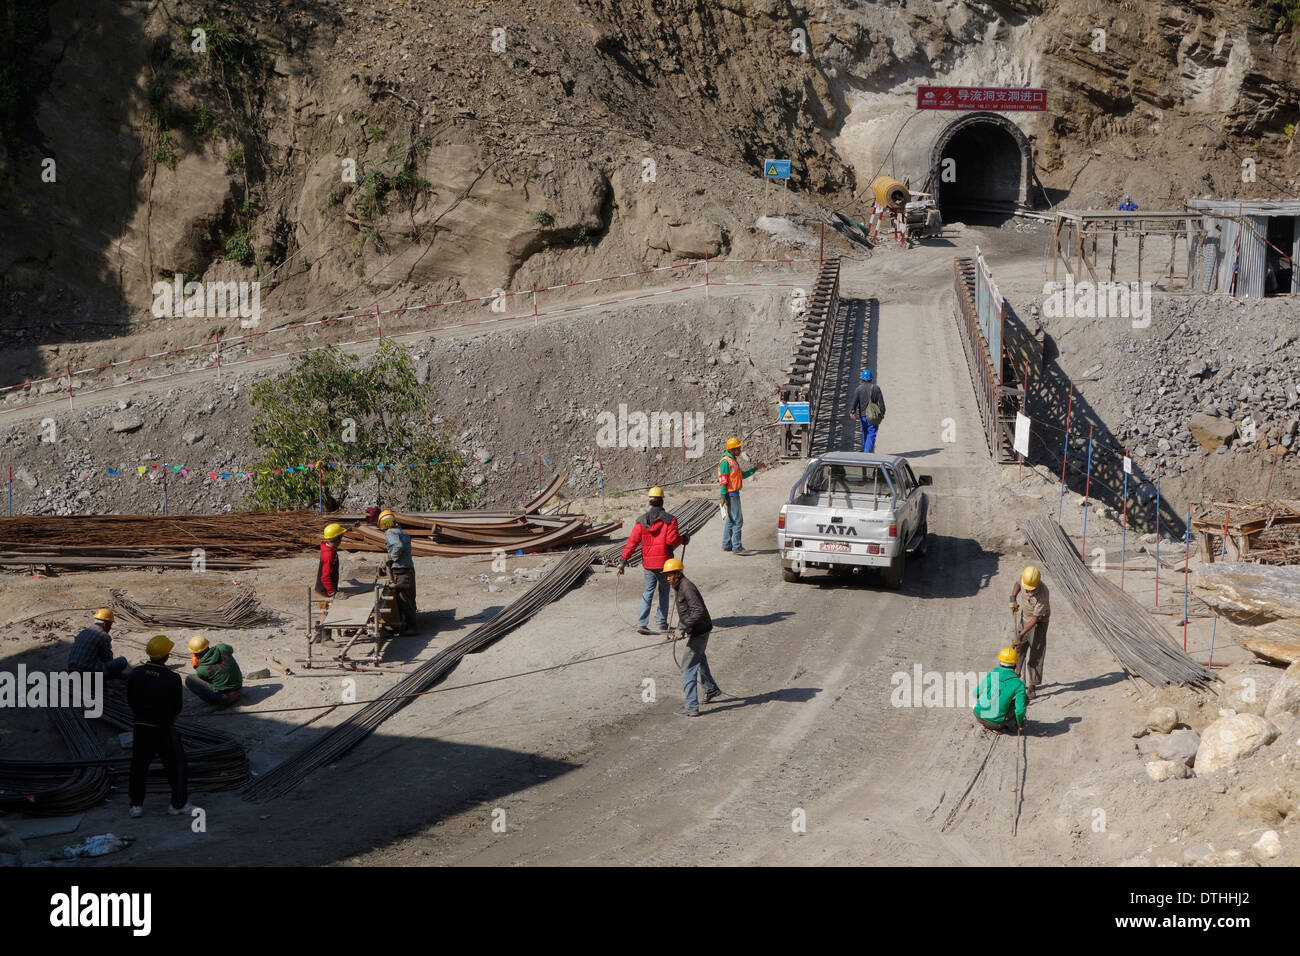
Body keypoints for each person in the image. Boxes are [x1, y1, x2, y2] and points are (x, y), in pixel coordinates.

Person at [127, 635, 193, 818]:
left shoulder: (136, 673)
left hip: (140, 727)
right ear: (166, 656)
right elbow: (177, 707)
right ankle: (177, 804)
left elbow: (130, 700)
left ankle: (136, 805)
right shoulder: (172, 678)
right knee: (177, 765)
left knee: (138, 766)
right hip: (163, 727)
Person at [618, 487, 688, 636]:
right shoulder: (670, 519)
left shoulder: (641, 521)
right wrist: (683, 539)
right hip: (665, 564)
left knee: (648, 591)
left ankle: (642, 623)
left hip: (648, 565)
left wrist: (623, 560)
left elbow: (632, 542)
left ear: (650, 502)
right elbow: (671, 540)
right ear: (662, 501)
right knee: (664, 592)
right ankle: (662, 623)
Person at [663, 558, 721, 716]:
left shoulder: (686, 587)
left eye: (670, 575)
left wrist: (683, 627)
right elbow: (687, 611)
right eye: (666, 575)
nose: (667, 578)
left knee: (688, 667)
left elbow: (698, 611)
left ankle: (691, 706)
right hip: (698, 629)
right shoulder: (678, 585)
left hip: (700, 631)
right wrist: (681, 627)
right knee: (699, 658)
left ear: (678, 573)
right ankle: (711, 689)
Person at [1009, 565, 1051, 697]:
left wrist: (1021, 634)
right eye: (1025, 587)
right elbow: (1017, 583)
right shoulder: (1026, 577)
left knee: (1036, 654)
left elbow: (1035, 619)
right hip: (1024, 619)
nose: (1026, 590)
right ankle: (1015, 679)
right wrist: (1013, 597)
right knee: (1019, 649)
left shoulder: (1043, 594)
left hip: (1038, 624)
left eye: (1029, 589)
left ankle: (1032, 686)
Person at [972, 646, 1028, 734]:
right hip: (994, 724)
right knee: (1025, 700)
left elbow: (976, 693)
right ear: (1015, 665)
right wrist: (1019, 723)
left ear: (1000, 663)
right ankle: (1005, 724)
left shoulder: (991, 675)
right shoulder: (1018, 684)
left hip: (978, 715)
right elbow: (1020, 709)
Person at [379, 510, 417, 633]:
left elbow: (398, 546)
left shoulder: (390, 532)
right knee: (409, 597)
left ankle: (411, 627)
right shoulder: (402, 532)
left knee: (402, 598)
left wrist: (391, 558)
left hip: (400, 570)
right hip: (408, 568)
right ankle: (406, 623)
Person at [718, 437, 757, 555]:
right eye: (738, 448)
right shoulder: (726, 461)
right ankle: (737, 547)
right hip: (731, 494)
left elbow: (741, 475)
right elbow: (723, 479)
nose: (740, 450)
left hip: (732, 493)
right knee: (738, 521)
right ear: (733, 450)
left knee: (731, 519)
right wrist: (722, 496)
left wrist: (755, 469)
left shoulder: (732, 460)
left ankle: (726, 544)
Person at [68, 608, 129, 680]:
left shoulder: (83, 632)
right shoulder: (103, 635)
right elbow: (107, 659)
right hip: (88, 675)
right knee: (122, 661)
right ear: (105, 624)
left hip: (71, 671)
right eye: (110, 625)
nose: (110, 628)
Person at [185, 635, 242, 706]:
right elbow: (231, 650)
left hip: (225, 698)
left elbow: (205, 679)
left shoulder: (202, 670)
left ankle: (217, 703)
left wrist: (197, 667)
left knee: (190, 679)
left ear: (196, 654)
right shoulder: (222, 647)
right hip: (239, 690)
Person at [849, 368, 886, 453]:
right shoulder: (876, 388)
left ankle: (866, 450)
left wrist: (852, 412)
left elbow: (854, 402)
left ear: (862, 379)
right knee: (871, 434)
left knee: (865, 433)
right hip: (872, 416)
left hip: (863, 416)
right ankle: (867, 453)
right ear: (871, 379)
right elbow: (882, 404)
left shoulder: (858, 389)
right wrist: (882, 414)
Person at [315, 523, 345, 597]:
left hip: (327, 589)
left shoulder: (329, 549)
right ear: (337, 540)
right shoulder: (328, 555)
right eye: (341, 538)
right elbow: (325, 577)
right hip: (325, 592)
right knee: (326, 608)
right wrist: (332, 592)